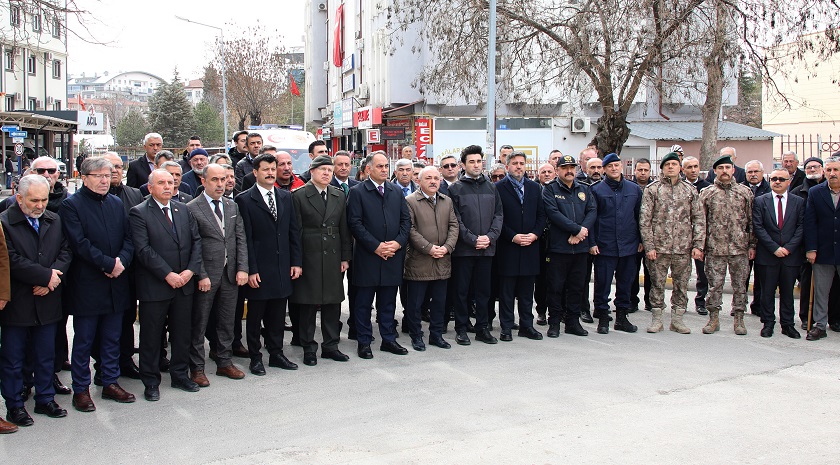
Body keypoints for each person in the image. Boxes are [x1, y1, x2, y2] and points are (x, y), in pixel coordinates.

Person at [60, 157, 137, 412]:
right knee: (84, 340)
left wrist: (121, 262)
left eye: (109, 174)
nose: (105, 180)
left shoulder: (116, 203)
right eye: (99, 176)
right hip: (88, 284)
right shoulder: (71, 206)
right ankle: (81, 389)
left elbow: (129, 238)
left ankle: (110, 382)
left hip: (116, 282)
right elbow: (79, 243)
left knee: (112, 338)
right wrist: (108, 264)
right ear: (84, 178)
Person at [1, 175, 72, 426]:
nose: (40, 206)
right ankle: (15, 405)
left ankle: (45, 398)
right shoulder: (5, 223)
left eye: (43, 200)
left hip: (48, 300)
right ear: (19, 198)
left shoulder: (54, 220)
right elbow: (10, 259)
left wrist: (53, 279)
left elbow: (65, 251)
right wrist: (45, 276)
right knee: (13, 359)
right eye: (34, 200)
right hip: (18, 302)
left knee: (45, 355)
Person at [129, 169, 203, 401]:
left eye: (170, 183)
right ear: (150, 187)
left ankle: (180, 375)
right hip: (157, 284)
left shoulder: (184, 209)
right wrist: (168, 274)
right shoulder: (139, 213)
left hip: (184, 283)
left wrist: (191, 270)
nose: (167, 187)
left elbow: (196, 242)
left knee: (182, 333)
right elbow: (143, 249)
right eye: (161, 183)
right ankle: (151, 381)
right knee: (152, 335)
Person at [235, 154, 302, 373]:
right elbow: (245, 238)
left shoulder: (285, 197)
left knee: (277, 315)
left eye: (273, 169)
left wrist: (296, 262)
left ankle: (276, 354)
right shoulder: (244, 199)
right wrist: (250, 269)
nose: (271, 173)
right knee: (255, 317)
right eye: (266, 169)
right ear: (255, 173)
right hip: (259, 270)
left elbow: (293, 232)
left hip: (282, 267)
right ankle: (256, 357)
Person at [186, 164, 249, 386]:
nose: (220, 184)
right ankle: (197, 368)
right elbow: (192, 246)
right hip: (206, 276)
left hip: (230, 275)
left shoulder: (232, 206)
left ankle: (224, 361)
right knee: (200, 322)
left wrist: (242, 268)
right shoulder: (192, 208)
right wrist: (200, 274)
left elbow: (239, 239)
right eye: (215, 180)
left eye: (223, 179)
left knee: (227, 321)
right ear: (203, 181)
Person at [347, 152, 411, 358]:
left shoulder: (395, 191)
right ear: (368, 169)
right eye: (380, 166)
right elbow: (355, 223)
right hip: (368, 257)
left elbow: (405, 222)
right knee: (364, 303)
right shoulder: (358, 192)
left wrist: (397, 244)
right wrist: (376, 246)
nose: (384, 170)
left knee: (388, 302)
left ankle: (388, 340)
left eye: (386, 166)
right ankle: (364, 341)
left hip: (392, 256)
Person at [291, 156, 352, 365]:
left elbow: (344, 228)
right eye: (322, 169)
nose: (327, 173)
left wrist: (345, 256)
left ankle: (331, 345)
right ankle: (308, 347)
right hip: (310, 254)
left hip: (333, 254)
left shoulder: (338, 194)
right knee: (308, 303)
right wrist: (296, 262)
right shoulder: (299, 196)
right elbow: (295, 232)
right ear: (312, 171)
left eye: (329, 170)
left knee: (333, 302)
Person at [638, 152, 705, 334]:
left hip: (683, 248)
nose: (671, 167)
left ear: (680, 167)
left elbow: (698, 218)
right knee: (657, 284)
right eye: (667, 164)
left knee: (681, 285)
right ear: (662, 168)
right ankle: (657, 319)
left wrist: (698, 245)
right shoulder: (653, 190)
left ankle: (677, 319)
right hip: (659, 249)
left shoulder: (689, 190)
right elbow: (645, 220)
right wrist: (649, 246)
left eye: (674, 164)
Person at [448, 145, 504, 345]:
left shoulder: (492, 187)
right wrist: (473, 239)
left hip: (487, 249)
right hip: (464, 250)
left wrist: (489, 237)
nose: (476, 165)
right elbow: (455, 220)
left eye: (479, 161)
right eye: (471, 161)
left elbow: (498, 215)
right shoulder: (455, 189)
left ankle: (482, 327)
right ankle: (461, 328)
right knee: (461, 291)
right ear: (463, 165)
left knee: (484, 291)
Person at [403, 166, 459, 350]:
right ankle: (416, 336)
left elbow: (454, 226)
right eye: (428, 178)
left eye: (436, 178)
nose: (433, 181)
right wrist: (429, 248)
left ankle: (436, 335)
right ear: (419, 181)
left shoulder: (447, 201)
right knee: (416, 304)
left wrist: (447, 247)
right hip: (420, 261)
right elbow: (409, 229)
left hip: (442, 259)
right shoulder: (410, 201)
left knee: (439, 303)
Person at [699, 155, 755, 335]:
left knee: (740, 285)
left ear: (733, 170)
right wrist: (700, 246)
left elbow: (752, 221)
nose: (724, 171)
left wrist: (752, 245)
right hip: (715, 249)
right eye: (720, 168)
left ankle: (739, 319)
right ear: (715, 171)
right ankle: (713, 318)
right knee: (714, 286)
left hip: (740, 248)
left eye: (727, 167)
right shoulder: (707, 193)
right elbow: (701, 222)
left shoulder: (744, 192)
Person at [100, 152, 144, 379]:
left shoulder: (134, 194)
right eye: (110, 167)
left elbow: (136, 232)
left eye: (118, 166)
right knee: (102, 323)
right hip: (102, 270)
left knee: (127, 318)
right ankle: (103, 366)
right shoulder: (94, 196)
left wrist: (123, 261)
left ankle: (125, 360)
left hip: (129, 267)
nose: (115, 171)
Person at [494, 151, 545, 341]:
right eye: (514, 163)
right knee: (507, 292)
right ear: (507, 166)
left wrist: (535, 234)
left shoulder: (534, 188)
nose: (518, 167)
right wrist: (512, 236)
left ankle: (527, 325)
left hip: (530, 246)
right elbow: (497, 218)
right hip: (509, 246)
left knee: (526, 291)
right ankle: (506, 327)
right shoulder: (499, 188)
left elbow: (542, 215)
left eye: (522, 163)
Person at [542, 155, 594, 337]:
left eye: (572, 167)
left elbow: (592, 211)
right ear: (557, 171)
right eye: (565, 167)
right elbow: (553, 213)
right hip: (558, 247)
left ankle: (573, 322)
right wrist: (576, 230)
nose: (569, 170)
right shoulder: (549, 190)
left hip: (580, 247)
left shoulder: (585, 189)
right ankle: (554, 322)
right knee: (555, 287)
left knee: (576, 287)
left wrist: (581, 232)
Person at [590, 153, 642, 334]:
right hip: (605, 245)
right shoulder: (596, 190)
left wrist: (641, 240)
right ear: (604, 169)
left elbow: (639, 217)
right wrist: (592, 242)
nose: (614, 168)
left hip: (628, 245)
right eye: (610, 166)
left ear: (622, 167)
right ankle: (603, 319)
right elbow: (591, 218)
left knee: (625, 283)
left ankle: (621, 318)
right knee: (602, 284)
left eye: (616, 165)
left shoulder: (634, 189)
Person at [752, 169, 804, 339]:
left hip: (791, 256)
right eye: (774, 178)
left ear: (789, 181)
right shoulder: (760, 201)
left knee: (788, 292)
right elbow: (758, 227)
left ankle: (788, 325)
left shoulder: (798, 202)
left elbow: (801, 227)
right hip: (768, 255)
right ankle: (768, 324)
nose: (777, 181)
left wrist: (789, 248)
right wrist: (774, 248)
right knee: (767, 292)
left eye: (782, 179)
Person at [791, 157, 840, 330]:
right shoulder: (816, 192)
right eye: (829, 170)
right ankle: (819, 324)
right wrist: (811, 249)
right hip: (822, 251)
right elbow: (810, 223)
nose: (832, 174)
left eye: (836, 170)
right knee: (820, 291)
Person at [682, 156, 711, 315]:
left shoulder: (707, 188)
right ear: (683, 170)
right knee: (682, 273)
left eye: (696, 166)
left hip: (701, 236)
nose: (693, 170)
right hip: (682, 236)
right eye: (689, 167)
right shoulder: (679, 186)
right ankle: (681, 301)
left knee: (702, 272)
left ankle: (701, 301)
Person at [630, 158, 653, 312]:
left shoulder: (655, 188)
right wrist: (638, 238)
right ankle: (632, 301)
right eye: (640, 170)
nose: (643, 173)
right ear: (635, 171)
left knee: (650, 272)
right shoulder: (629, 188)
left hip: (651, 239)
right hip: (633, 238)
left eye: (646, 170)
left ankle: (650, 301)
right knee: (632, 271)